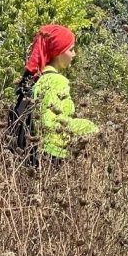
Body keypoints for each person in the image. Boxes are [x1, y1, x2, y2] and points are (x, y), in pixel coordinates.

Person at [24, 24, 98, 161]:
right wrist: (89, 127)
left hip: (36, 154)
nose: (74, 54)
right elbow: (49, 123)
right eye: (71, 49)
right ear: (58, 52)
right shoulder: (56, 80)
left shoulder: (37, 78)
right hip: (54, 155)